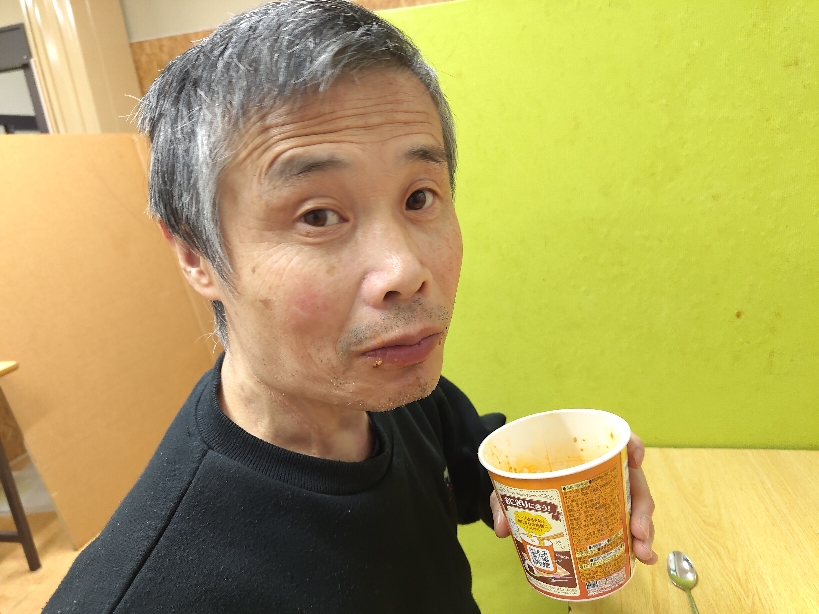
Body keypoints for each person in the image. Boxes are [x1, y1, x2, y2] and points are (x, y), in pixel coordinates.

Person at [44, 1, 656, 612]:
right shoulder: (146, 594)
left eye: (419, 198)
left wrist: (568, 482)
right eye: (318, 216)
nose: (405, 272)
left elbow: (476, 469)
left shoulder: (398, 390)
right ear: (195, 254)